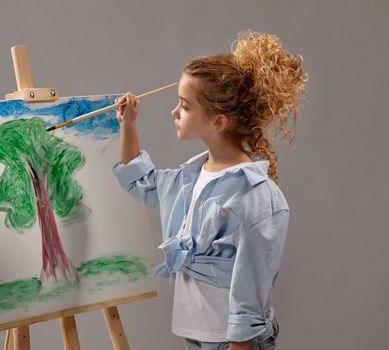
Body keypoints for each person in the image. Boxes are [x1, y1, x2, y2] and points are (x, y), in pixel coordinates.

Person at [111, 29, 309, 350]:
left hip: (231, 342)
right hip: (198, 334)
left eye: (184, 106)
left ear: (218, 122)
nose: (175, 112)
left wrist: (239, 344)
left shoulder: (255, 195)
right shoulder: (189, 177)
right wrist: (129, 125)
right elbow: (142, 183)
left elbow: (251, 284)